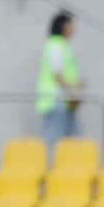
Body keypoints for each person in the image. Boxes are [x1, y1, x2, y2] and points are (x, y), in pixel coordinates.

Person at [37, 11, 82, 154]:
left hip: (65, 100)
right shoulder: (56, 45)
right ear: (64, 26)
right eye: (71, 25)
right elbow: (58, 74)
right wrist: (73, 90)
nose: (74, 29)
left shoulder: (62, 45)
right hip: (56, 100)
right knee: (54, 141)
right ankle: (53, 174)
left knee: (73, 140)